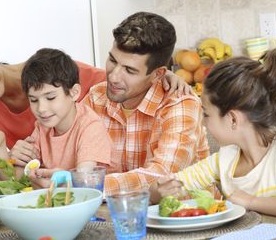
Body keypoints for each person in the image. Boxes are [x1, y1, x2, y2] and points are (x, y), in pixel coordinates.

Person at [0, 28, 189, 192]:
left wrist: (163, 76)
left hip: (82, 187)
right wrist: (3, 157)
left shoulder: (51, 74)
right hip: (39, 183)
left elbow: (123, 82)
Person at [28, 12, 210, 195]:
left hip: (188, 215)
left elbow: (162, 178)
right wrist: (31, 156)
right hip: (116, 213)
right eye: (112, 60)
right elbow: (70, 155)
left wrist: (80, 183)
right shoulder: (96, 97)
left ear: (157, 74)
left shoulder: (180, 105)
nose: (113, 77)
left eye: (129, 70)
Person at [149, 49, 276, 220]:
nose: (202, 122)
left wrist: (250, 201)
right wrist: (160, 190)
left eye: (206, 114)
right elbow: (163, 190)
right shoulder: (225, 159)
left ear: (233, 119)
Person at [0, 48, 113, 184]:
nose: (41, 109)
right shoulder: (42, 128)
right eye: (33, 100)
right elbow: (13, 181)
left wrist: (55, 180)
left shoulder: (89, 126)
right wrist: (0, 148)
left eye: (50, 98)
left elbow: (84, 182)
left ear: (74, 92)